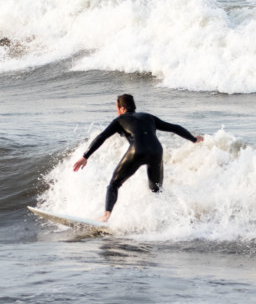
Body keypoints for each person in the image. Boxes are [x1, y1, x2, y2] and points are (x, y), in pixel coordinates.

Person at [73, 94, 203, 222]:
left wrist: (85, 156)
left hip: (138, 150)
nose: (117, 112)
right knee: (156, 190)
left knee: (114, 184)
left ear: (122, 108)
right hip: (156, 151)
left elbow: (102, 137)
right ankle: (163, 220)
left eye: (117, 109)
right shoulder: (149, 117)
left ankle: (106, 216)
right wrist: (193, 139)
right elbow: (175, 128)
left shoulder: (120, 120)